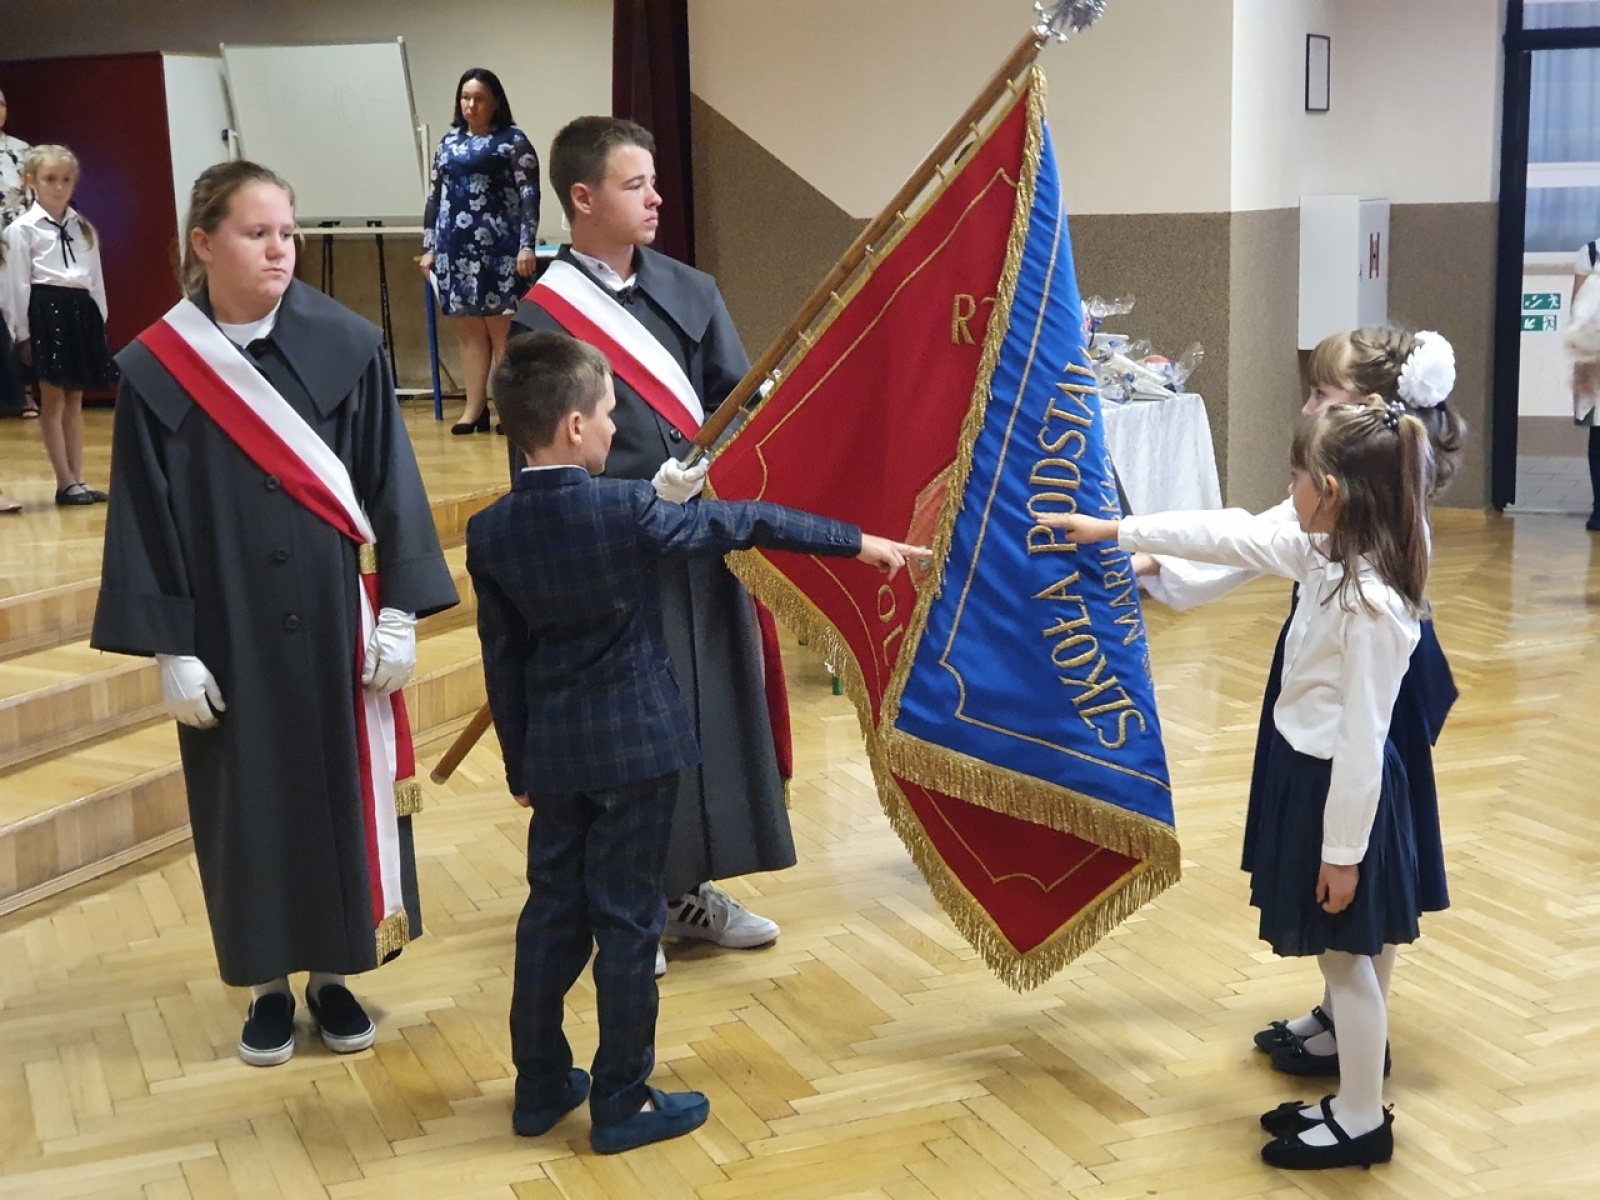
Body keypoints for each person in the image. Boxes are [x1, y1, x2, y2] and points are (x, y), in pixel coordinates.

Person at [468, 329, 925, 1152]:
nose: (614, 429)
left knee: (550, 917)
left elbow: (502, 659)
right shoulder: (627, 509)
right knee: (626, 922)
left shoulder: (492, 530)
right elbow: (746, 524)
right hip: (641, 748)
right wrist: (858, 542)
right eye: (608, 415)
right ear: (574, 427)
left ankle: (539, 1086)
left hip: (558, 756)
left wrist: (520, 765)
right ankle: (622, 1101)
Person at [90, 161, 458, 1067]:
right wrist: (170, 649)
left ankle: (336, 973)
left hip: (337, 619)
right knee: (245, 804)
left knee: (337, 793)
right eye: (257, 234)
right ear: (203, 242)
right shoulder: (156, 369)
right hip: (228, 632)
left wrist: (403, 613)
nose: (280, 250)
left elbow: (392, 483)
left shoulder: (347, 343)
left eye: (288, 232)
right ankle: (264, 984)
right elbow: (143, 511)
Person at [1046, 401, 1433, 1170]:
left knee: (1346, 964)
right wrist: (1116, 531)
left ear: (1328, 489)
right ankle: (1352, 1100)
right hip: (1308, 774)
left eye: (1292, 479)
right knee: (1342, 961)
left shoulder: (1373, 603)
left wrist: (1343, 854)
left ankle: (1362, 1120)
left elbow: (1363, 744)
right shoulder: (1324, 556)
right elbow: (1227, 532)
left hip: (1337, 794)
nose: (1285, 493)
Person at [1138, 327, 1464, 1080]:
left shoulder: (1372, 494)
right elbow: (1260, 540)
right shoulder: (1356, 484)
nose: (1310, 405)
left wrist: (1155, 560)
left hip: (1372, 696)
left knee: (1363, 869)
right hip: (1330, 671)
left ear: (1370, 409)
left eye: (1323, 394)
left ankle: (1360, 1037)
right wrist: (1157, 558)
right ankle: (1338, 1017)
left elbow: (1264, 537)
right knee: (1342, 870)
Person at [510, 116, 795, 975]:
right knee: (628, 736)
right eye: (636, 185)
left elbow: (734, 407)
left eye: (655, 182)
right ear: (584, 199)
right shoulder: (542, 316)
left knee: (705, 714)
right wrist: (626, 508)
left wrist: (754, 419)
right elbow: (539, 454)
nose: (656, 198)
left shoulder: (694, 290)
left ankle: (688, 891)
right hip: (613, 553)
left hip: (699, 544)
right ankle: (627, 900)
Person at [420, 68, 540, 434]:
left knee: (501, 330)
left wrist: (526, 245)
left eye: (479, 98)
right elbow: (434, 196)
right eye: (465, 97)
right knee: (469, 331)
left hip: (500, 250)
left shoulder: (513, 141)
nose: (470, 104)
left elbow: (529, 196)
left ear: (495, 103)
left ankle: (507, 409)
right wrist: (429, 248)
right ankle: (475, 409)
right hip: (454, 250)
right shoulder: (448, 143)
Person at [0, 145, 115, 501]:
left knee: (74, 398)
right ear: (31, 181)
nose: (59, 187)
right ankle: (64, 480)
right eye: (50, 179)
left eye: (66, 180)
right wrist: (22, 334)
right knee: (53, 400)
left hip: (79, 312)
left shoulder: (83, 228)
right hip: (45, 311)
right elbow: (17, 284)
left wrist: (99, 321)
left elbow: (94, 278)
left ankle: (78, 479)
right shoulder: (22, 230)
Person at [0, 87, 34, 421]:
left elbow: (32, 200)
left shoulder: (21, 152)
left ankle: (24, 391)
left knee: (18, 311)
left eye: (2, 103)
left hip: (15, 243)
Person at [1570, 240, 1600, 531]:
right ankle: (1599, 508)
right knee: (1599, 434)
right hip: (1595, 359)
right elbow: (1577, 311)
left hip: (1592, 357)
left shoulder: (1590, 252)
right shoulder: (1590, 253)